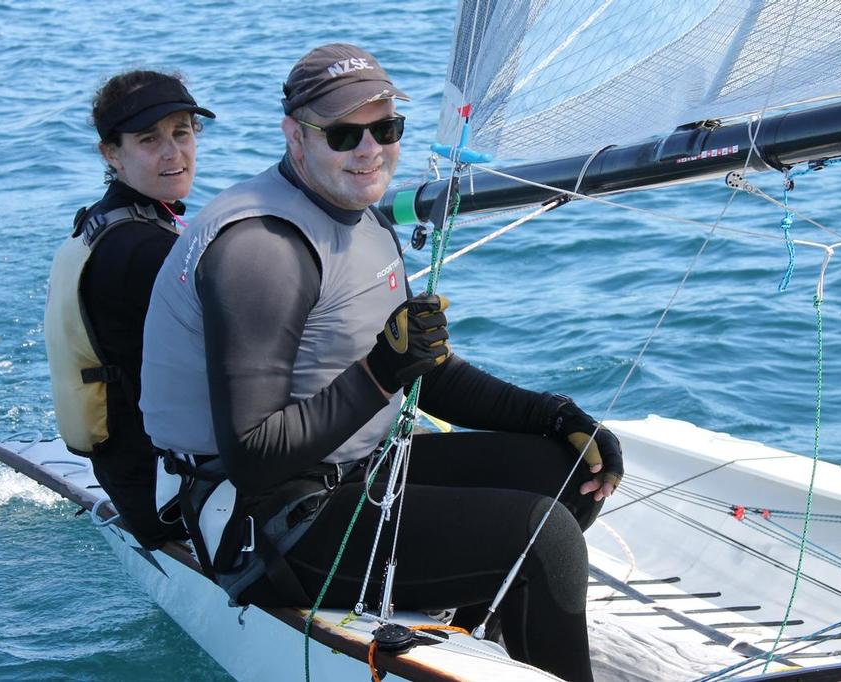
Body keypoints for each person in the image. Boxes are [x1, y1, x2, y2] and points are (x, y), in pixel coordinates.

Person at [140, 45, 622, 681]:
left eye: (386, 129)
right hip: (262, 520)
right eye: (344, 134)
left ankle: (476, 645)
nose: (370, 150)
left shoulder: (359, 211)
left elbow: (423, 368)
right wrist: (378, 375)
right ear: (295, 137)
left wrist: (556, 414)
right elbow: (252, 456)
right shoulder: (262, 251)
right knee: (548, 540)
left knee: (565, 468)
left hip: (350, 471)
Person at [44, 69, 215, 550]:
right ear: (111, 153)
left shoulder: (108, 223)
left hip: (130, 470)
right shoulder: (144, 252)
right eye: (148, 139)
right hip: (168, 498)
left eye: (182, 133)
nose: (172, 152)